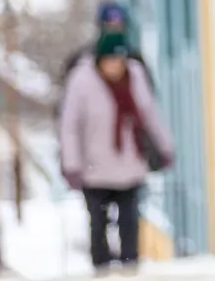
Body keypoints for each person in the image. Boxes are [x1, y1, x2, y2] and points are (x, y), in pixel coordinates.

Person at [59, 34, 173, 275]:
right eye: (110, 60)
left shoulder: (135, 74)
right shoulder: (81, 79)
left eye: (119, 60)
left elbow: (150, 113)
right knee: (98, 226)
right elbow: (70, 125)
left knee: (130, 225)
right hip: (94, 169)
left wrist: (165, 147)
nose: (115, 66)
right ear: (100, 60)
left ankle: (131, 272)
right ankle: (100, 272)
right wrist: (72, 165)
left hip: (130, 165)